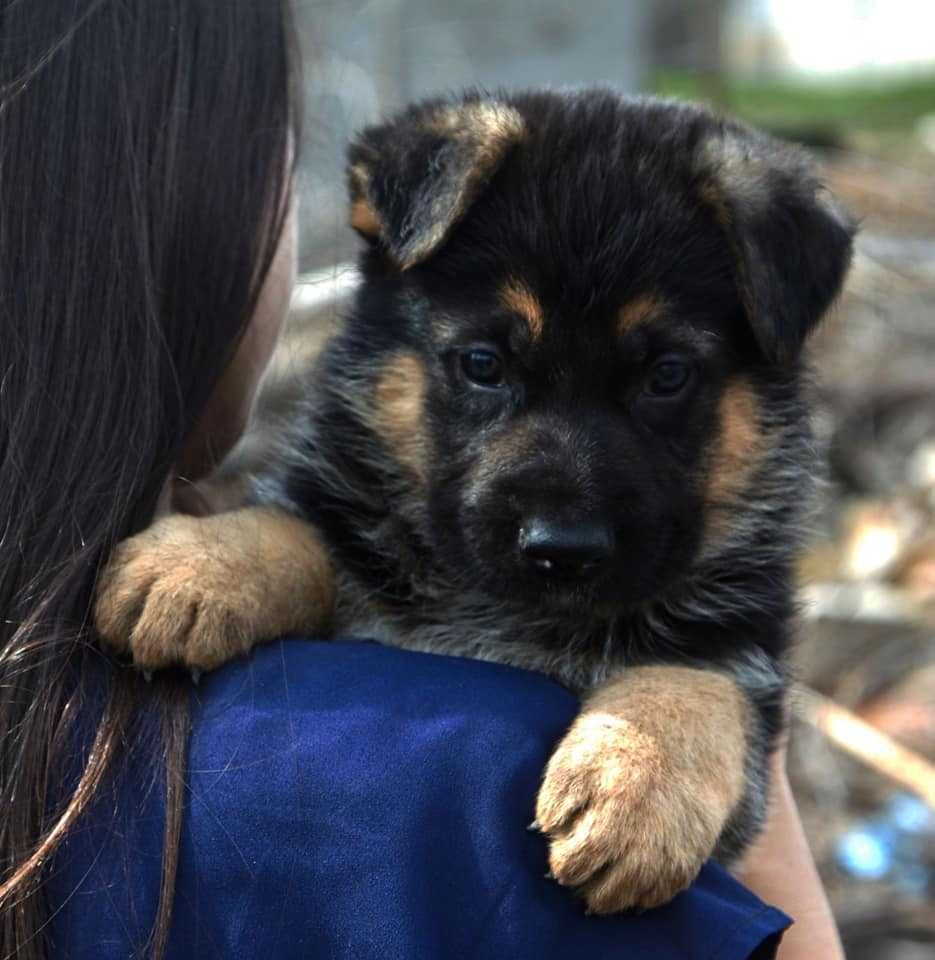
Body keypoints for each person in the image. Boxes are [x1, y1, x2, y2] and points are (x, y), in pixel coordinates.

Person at [0, 2, 844, 959]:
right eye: (483, 370)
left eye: (664, 380)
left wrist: (687, 716)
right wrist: (268, 555)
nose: (562, 508)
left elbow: (715, 676)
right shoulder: (430, 807)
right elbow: (322, 542)